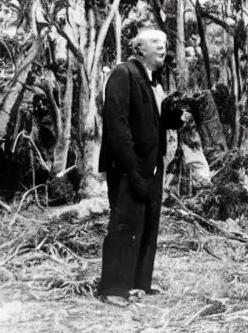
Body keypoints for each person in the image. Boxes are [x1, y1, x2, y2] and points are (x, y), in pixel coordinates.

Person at [97, 28, 169, 305]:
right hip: (128, 166)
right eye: (154, 42)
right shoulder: (123, 73)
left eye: (163, 42)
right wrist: (131, 168)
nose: (161, 47)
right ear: (139, 48)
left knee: (148, 224)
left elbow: (150, 124)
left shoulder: (152, 80)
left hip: (150, 166)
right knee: (125, 222)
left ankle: (139, 283)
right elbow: (117, 125)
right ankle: (114, 288)